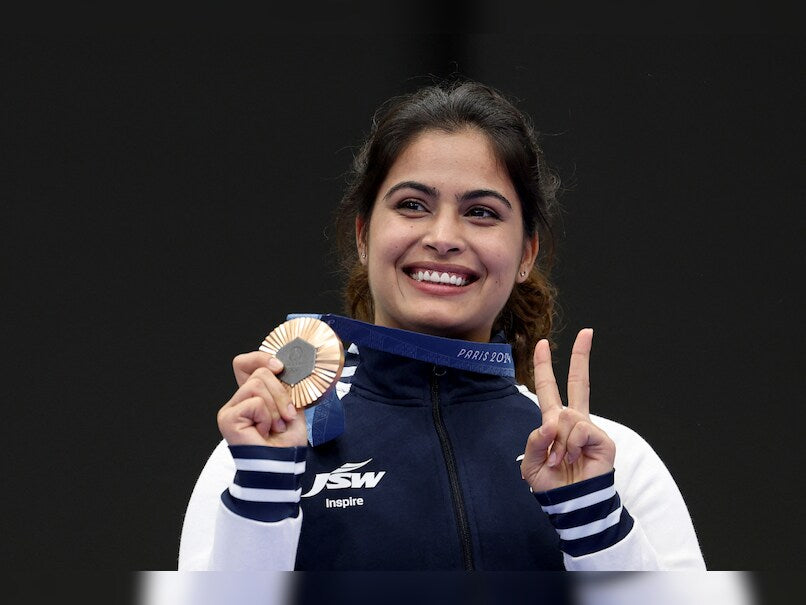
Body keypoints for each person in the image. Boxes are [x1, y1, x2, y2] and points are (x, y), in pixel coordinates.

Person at [177, 78, 706, 571]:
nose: (444, 236)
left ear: (526, 253)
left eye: (481, 212)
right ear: (363, 236)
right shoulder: (260, 454)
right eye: (412, 205)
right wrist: (262, 499)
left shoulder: (609, 460)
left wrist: (594, 525)